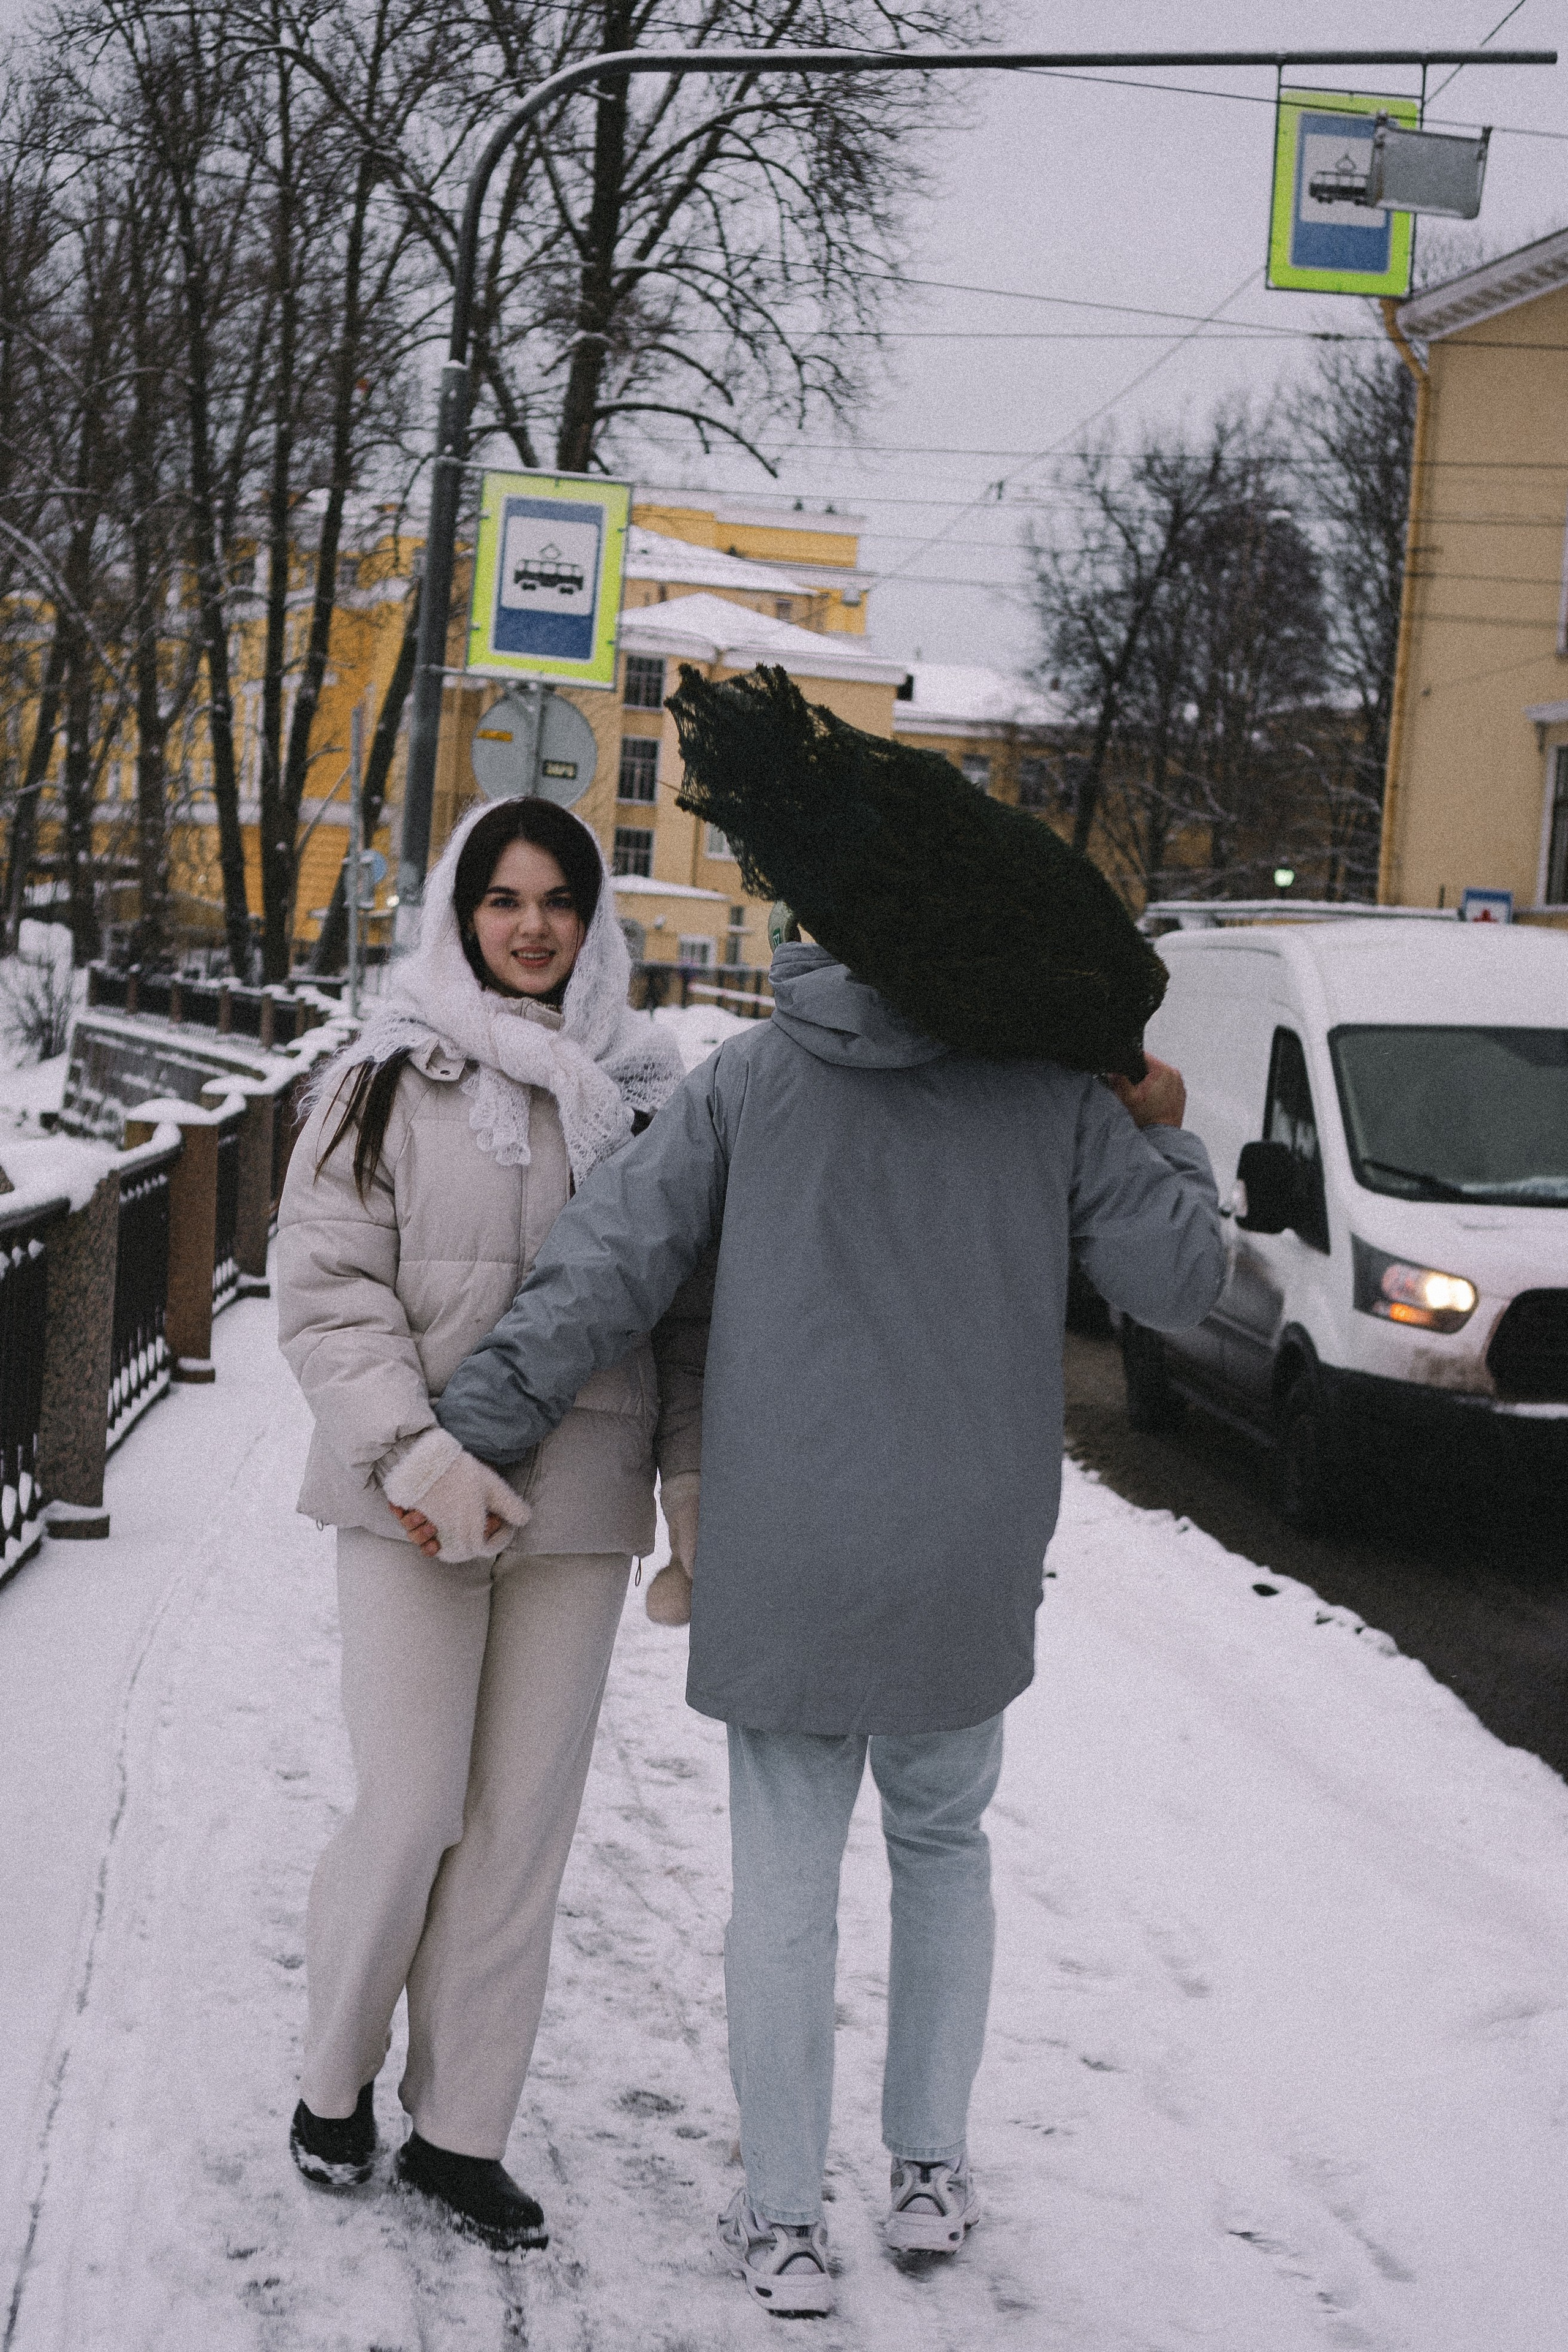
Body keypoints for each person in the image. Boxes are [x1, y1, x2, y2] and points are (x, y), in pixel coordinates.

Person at [415, 930, 1226, 2314]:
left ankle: (784, 2220)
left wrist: (475, 1425)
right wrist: (1168, 1128)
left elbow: (607, 1262)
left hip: (783, 1538)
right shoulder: (1052, 1097)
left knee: (783, 1890)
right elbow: (1181, 1280)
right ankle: (925, 2176)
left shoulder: (753, 1079)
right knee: (943, 1847)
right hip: (963, 1555)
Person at [274, 796, 701, 2252]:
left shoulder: (643, 1093)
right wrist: (410, 1453)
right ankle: (334, 2080)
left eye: (557, 903)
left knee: (519, 1830)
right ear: (463, 913)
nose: (530, 926)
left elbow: (685, 1308)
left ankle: (460, 2135)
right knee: (411, 1808)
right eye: (502, 900)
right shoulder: (383, 1077)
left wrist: (693, 1486)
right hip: (409, 1502)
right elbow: (326, 1287)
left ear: (593, 922)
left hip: (578, 1506)